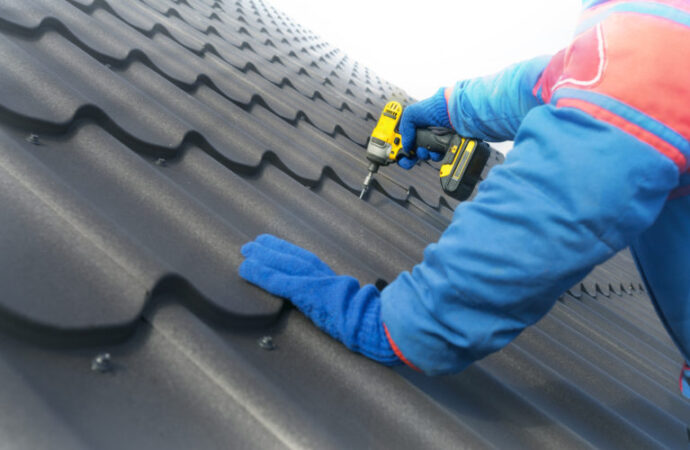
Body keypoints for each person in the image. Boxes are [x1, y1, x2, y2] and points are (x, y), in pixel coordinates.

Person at [240, 0, 690, 395]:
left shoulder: (659, 37)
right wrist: (449, 109)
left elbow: (572, 186)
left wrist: (407, 325)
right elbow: (560, 77)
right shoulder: (650, 26)